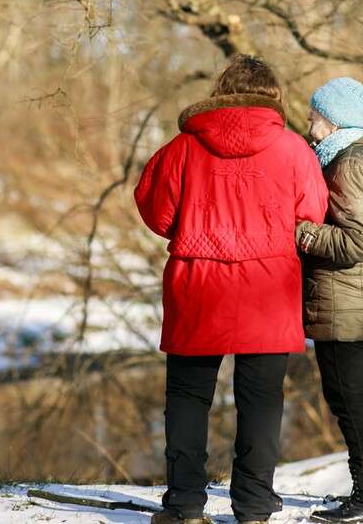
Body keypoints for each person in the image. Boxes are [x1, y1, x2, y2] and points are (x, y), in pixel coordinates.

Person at [134, 54, 328, 524]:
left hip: (198, 282)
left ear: (221, 90)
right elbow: (314, 212)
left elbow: (156, 211)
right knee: (261, 399)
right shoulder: (293, 149)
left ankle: (184, 505)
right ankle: (255, 505)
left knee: (188, 397)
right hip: (269, 286)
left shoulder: (182, 148)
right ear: (274, 97)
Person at [296, 77, 363, 524]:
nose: (309, 125)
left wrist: (300, 231)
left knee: (350, 401)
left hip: (344, 301)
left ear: (336, 120)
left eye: (315, 117)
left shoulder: (348, 163)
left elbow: (355, 242)